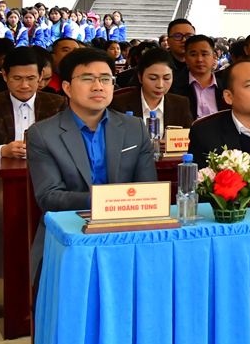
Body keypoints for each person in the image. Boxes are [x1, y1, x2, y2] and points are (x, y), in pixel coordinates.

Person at [27, 48, 157, 278]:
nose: (98, 86)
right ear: (67, 87)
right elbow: (49, 197)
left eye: (105, 79)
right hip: (70, 236)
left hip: (127, 235)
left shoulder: (135, 128)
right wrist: (110, 201)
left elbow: (147, 189)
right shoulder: (42, 134)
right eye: (87, 79)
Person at [0, 47, 65, 320]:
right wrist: (2, 149)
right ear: (5, 76)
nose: (25, 85)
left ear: (41, 77)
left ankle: (45, 291)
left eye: (31, 78)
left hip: (48, 183)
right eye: (17, 78)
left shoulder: (56, 104)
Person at [111, 47, 194, 129]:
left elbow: (188, 138)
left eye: (166, 78)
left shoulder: (181, 104)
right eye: (153, 78)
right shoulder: (119, 103)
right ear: (140, 77)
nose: (160, 85)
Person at [172, 34, 225, 119]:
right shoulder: (174, 86)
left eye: (204, 54)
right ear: (185, 58)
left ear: (214, 57)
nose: (199, 59)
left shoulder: (226, 86)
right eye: (193, 55)